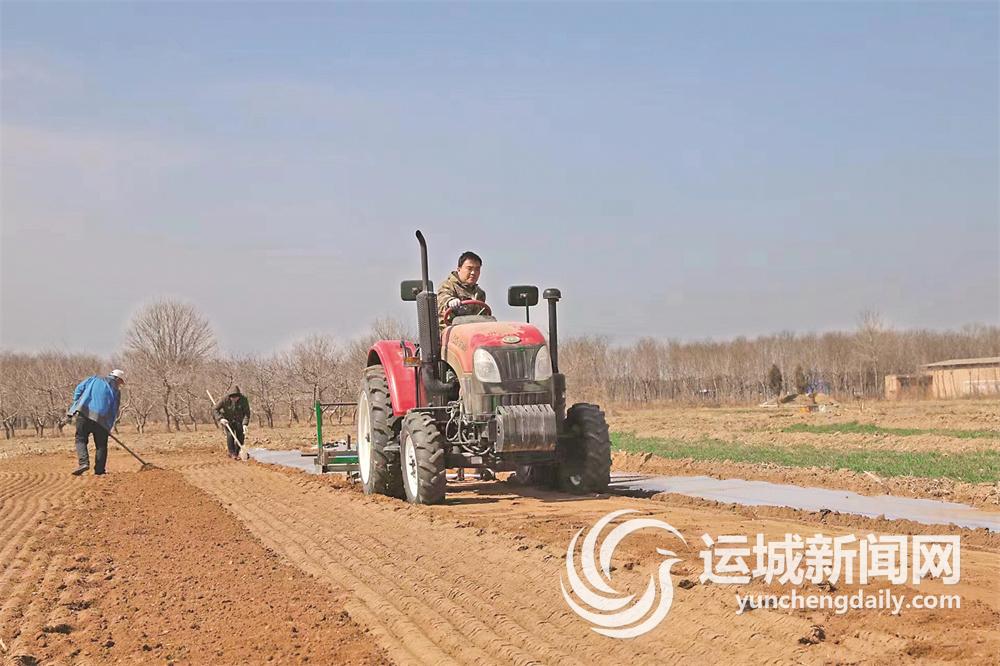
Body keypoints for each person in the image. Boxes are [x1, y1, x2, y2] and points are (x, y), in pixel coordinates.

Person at [67, 369, 125, 476]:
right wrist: (109, 426)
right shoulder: (116, 391)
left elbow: (79, 389)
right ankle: (99, 470)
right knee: (101, 445)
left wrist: (76, 404)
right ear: (117, 379)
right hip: (102, 420)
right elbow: (114, 410)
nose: (119, 385)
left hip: (84, 413)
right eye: (120, 382)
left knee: (80, 439)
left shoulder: (94, 379)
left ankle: (83, 463)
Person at [437, 250, 487, 329]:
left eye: (477, 269)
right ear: (459, 269)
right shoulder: (448, 285)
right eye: (469, 269)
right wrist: (450, 301)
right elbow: (443, 298)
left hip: (474, 330)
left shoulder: (480, 293)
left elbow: (484, 315)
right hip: (451, 330)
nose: (473, 273)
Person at [213, 386, 251, 460]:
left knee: (241, 436)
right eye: (233, 398)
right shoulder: (224, 399)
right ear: (230, 396)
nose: (234, 399)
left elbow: (247, 413)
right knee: (230, 435)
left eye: (236, 397)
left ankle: (237, 452)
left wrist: (245, 424)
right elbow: (215, 409)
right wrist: (221, 419)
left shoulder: (244, 400)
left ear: (239, 396)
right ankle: (232, 453)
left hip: (239, 420)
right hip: (227, 421)